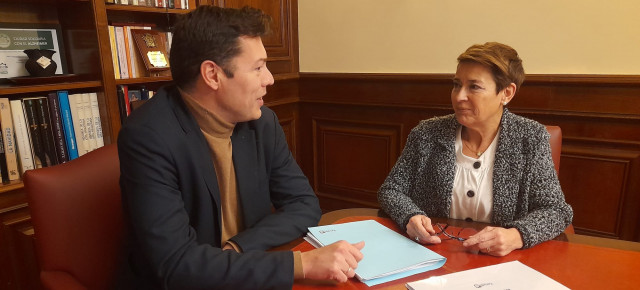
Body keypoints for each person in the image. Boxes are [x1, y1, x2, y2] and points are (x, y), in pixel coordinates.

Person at [117, 6, 363, 289]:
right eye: (258, 67)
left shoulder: (262, 123)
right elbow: (177, 265)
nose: (269, 79)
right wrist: (303, 264)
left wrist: (238, 246)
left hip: (248, 274)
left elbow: (303, 204)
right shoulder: (148, 137)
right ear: (212, 75)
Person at [377, 42, 573, 257]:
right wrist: (410, 217)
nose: (459, 96)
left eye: (474, 87)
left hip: (501, 264)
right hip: (433, 256)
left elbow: (556, 211)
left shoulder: (530, 138)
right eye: (456, 85)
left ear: (506, 93)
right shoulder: (427, 134)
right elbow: (391, 191)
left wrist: (516, 235)